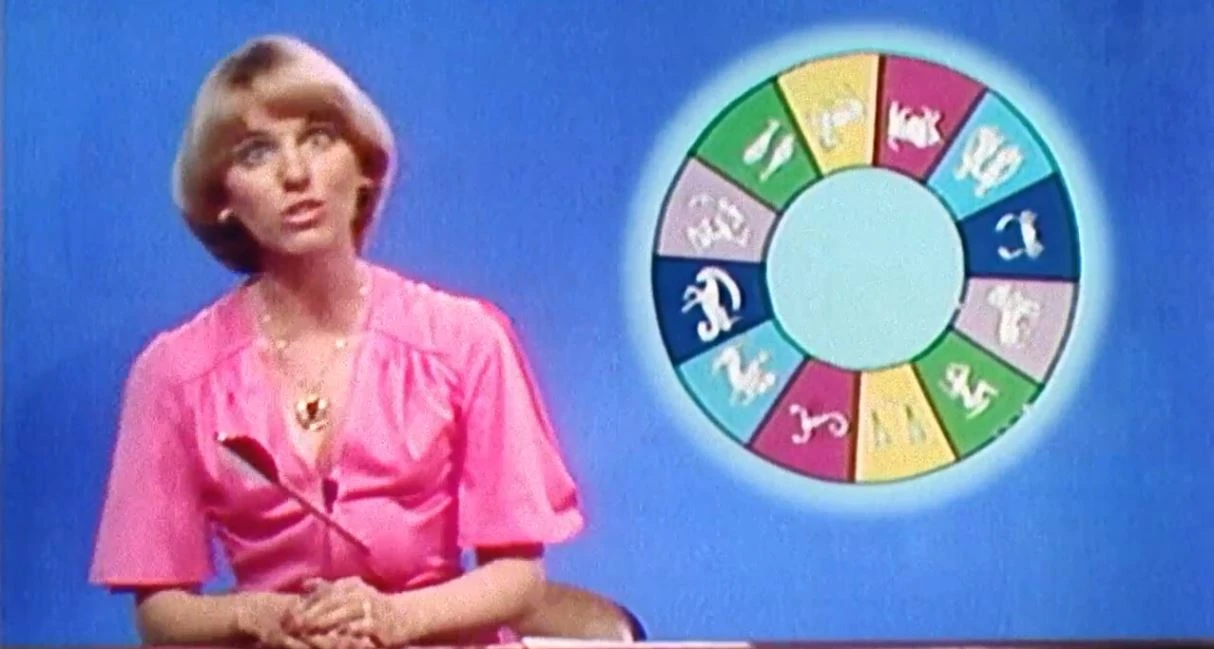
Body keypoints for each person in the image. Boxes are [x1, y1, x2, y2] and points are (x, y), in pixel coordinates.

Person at [88, 34, 584, 649]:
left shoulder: (465, 341)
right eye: (256, 153)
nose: (296, 174)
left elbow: (519, 579)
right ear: (222, 199)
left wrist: (395, 619)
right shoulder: (173, 374)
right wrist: (258, 616)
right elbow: (160, 614)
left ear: (364, 166)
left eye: (319, 139)